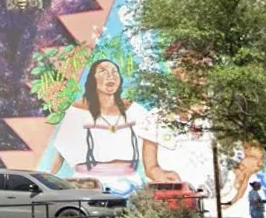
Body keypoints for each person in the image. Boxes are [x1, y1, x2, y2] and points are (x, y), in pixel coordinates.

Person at [44, 58, 183, 192]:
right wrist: (44, 180)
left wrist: (162, 175)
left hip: (130, 185)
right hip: (87, 187)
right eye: (103, 71)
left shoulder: (137, 111)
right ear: (93, 80)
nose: (110, 76)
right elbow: (60, 154)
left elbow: (151, 167)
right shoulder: (76, 111)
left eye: (114, 71)